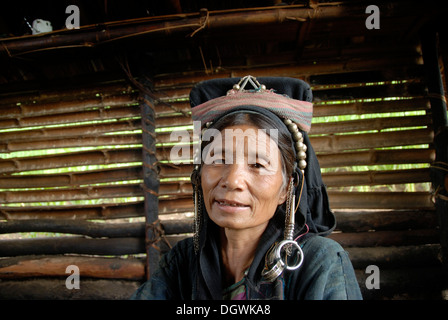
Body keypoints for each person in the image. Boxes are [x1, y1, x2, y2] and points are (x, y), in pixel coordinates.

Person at [131, 76, 362, 300]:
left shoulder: (320, 262)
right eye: (219, 160)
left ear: (286, 188)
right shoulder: (181, 262)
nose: (232, 180)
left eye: (257, 164)